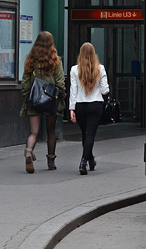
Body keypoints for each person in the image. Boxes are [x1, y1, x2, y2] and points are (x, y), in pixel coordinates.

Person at [20, 31, 65, 173]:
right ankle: (51, 162)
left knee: (34, 132)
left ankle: (28, 151)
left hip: (34, 99)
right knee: (51, 131)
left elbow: (26, 82)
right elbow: (60, 82)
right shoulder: (55, 60)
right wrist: (61, 95)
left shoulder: (31, 60)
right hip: (50, 100)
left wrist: (27, 97)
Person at [68, 42, 110, 175]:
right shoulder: (100, 68)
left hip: (80, 106)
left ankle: (90, 160)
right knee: (90, 134)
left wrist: (71, 109)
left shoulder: (74, 70)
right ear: (94, 54)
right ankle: (84, 160)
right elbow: (105, 90)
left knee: (85, 134)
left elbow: (73, 91)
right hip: (96, 105)